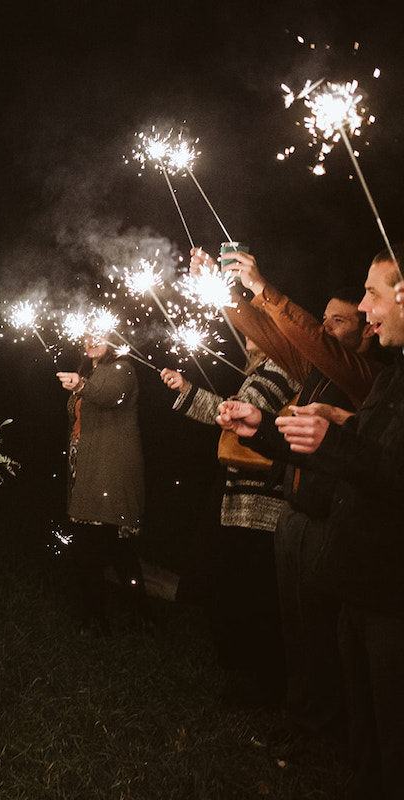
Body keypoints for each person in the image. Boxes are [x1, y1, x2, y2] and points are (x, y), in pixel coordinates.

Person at [218, 249, 404, 799]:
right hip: (354, 570)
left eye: (369, 295)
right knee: (336, 676)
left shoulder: (361, 371)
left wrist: (263, 287)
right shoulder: (371, 380)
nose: (363, 306)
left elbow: (371, 460)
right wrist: (264, 430)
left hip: (383, 580)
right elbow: (283, 343)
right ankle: (317, 731)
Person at [160, 337, 298, 705]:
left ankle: (260, 681)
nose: (247, 338)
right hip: (244, 491)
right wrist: (189, 390)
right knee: (237, 583)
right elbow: (234, 413)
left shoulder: (281, 370)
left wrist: (202, 399)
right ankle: (245, 673)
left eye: (252, 329)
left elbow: (246, 415)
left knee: (247, 587)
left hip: (259, 497)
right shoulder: (263, 369)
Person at [56, 336, 147, 635]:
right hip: (86, 467)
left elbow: (111, 395)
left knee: (100, 543)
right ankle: (130, 616)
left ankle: (106, 618)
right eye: (87, 334)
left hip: (109, 470)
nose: (92, 340)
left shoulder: (123, 369)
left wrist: (81, 385)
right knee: (105, 543)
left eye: (101, 334)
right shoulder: (89, 371)